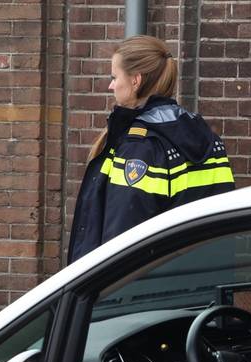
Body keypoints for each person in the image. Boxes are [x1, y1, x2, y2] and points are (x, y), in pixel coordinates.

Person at [67, 35, 234, 263]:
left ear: (136, 80)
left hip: (145, 291)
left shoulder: (141, 147)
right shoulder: (208, 138)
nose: (111, 85)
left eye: (115, 77)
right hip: (203, 284)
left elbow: (121, 244)